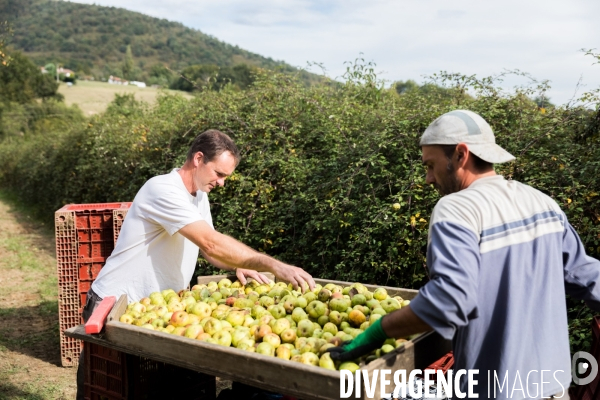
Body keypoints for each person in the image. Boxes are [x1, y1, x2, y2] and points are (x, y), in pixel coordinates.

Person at [327, 110, 600, 399]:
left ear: (460, 155)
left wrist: (377, 332)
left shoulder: (457, 209)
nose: (429, 178)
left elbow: (450, 300)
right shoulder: (542, 203)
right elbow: (588, 277)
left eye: (431, 165)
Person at [77, 129, 315, 399]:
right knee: (108, 390)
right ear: (198, 158)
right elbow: (212, 242)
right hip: (114, 305)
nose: (222, 183)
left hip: (152, 309)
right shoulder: (162, 189)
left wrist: (235, 264)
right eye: (219, 174)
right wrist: (274, 265)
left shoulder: (199, 195)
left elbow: (208, 250)